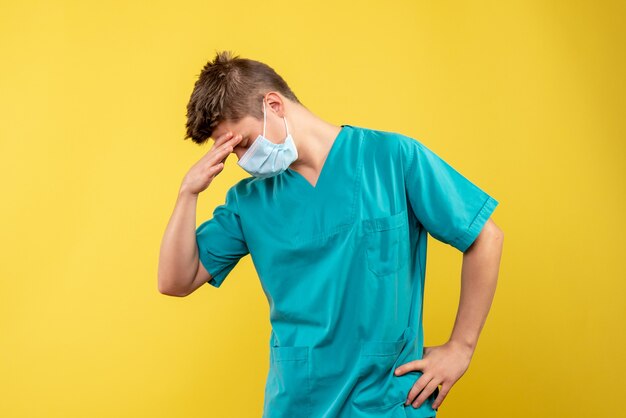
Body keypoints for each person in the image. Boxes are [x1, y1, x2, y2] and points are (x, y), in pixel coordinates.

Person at [158, 50, 504, 418]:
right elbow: (175, 280)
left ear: (273, 104)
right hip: (298, 404)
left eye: (242, 142)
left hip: (388, 402)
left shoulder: (391, 158)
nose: (241, 160)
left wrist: (461, 348)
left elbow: (485, 236)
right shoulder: (249, 202)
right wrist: (187, 193)